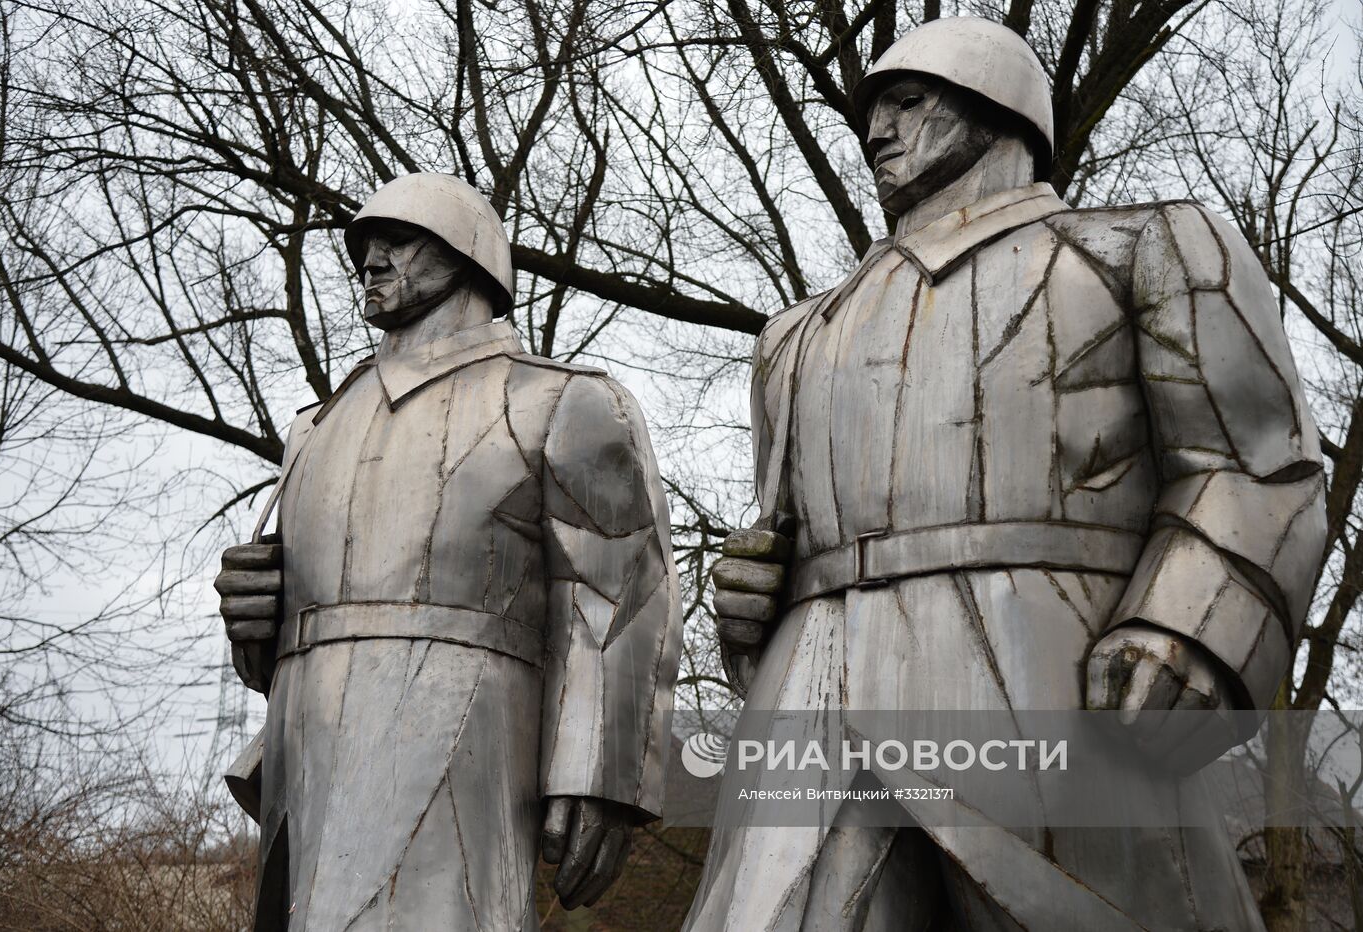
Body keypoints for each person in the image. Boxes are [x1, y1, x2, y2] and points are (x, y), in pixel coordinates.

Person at [692, 17, 1326, 931]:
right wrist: (757, 601)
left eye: (908, 102)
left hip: (1049, 691)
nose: (876, 130)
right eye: (872, 112)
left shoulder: (1139, 249)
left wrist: (1191, 629)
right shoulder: (795, 339)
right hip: (813, 708)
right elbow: (788, 533)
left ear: (999, 104)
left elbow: (1253, 464)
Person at [213, 172, 682, 930]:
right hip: (311, 752)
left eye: (396, 241)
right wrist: (254, 622)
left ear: (468, 251)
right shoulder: (315, 427)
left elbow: (619, 592)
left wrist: (602, 772)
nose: (370, 260)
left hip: (463, 728)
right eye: (363, 247)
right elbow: (289, 627)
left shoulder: (560, 400)